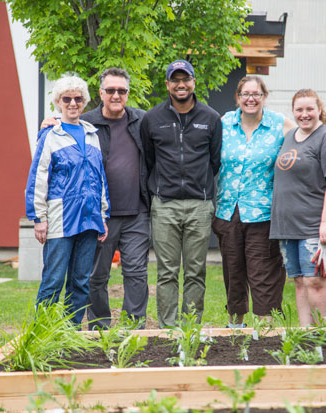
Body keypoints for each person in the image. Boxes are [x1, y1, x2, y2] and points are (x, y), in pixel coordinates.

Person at [40, 68, 150, 330]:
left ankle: (132, 330)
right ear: (100, 93)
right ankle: (100, 328)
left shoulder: (143, 121)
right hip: (98, 215)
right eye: (110, 90)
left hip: (137, 212)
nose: (115, 95)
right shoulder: (87, 123)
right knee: (94, 277)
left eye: (121, 91)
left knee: (136, 273)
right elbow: (64, 125)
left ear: (128, 94)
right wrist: (50, 121)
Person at [141, 59, 222, 327]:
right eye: (175, 80)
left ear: (194, 82)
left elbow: (214, 161)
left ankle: (190, 328)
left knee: (196, 271)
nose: (180, 85)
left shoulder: (210, 118)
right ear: (167, 84)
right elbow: (149, 160)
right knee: (166, 272)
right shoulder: (152, 119)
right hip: (164, 205)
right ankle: (167, 329)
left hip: (199, 205)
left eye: (185, 79)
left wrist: (200, 188)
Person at [25, 75, 109, 326]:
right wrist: (39, 217)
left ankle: (69, 333)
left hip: (89, 218)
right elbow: (38, 178)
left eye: (78, 98)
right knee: (53, 280)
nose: (73, 103)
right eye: (67, 98)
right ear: (58, 102)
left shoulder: (92, 135)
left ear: (84, 102)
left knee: (81, 281)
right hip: (61, 218)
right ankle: (43, 334)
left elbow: (100, 178)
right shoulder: (50, 135)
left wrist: (103, 215)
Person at [212, 76, 296, 328]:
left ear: (264, 97)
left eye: (256, 94)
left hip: (263, 213)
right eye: (245, 94)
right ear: (238, 97)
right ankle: (235, 323)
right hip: (228, 211)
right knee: (233, 269)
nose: (251, 98)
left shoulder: (279, 124)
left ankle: (265, 325)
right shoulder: (224, 123)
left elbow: (307, 140)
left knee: (263, 270)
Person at [270, 88, 326, 327]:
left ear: (319, 110)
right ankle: (306, 335)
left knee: (316, 282)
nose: (304, 114)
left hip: (318, 225)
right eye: (299, 109)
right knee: (299, 281)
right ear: (293, 111)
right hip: (290, 226)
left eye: (310, 109)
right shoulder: (290, 136)